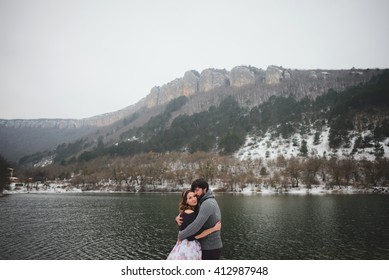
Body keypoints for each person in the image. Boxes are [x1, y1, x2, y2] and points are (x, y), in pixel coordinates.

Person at [167, 189, 221, 260]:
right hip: (189, 248)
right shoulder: (191, 214)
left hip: (182, 246)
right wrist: (214, 228)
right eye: (190, 198)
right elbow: (196, 235)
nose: (194, 199)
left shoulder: (185, 212)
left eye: (194, 196)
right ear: (186, 201)